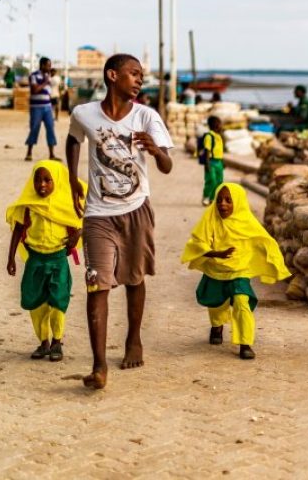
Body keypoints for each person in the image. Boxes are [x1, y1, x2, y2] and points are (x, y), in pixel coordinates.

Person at [66, 53, 173, 390]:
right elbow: (73, 140)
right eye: (134, 73)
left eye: (142, 75)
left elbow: (168, 166)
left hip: (136, 209)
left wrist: (155, 151)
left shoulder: (147, 116)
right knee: (97, 283)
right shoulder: (84, 113)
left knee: (134, 278)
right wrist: (71, 178)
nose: (140, 80)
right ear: (113, 76)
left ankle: (134, 339)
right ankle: (99, 366)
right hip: (98, 214)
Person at [181, 183, 291, 359]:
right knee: (216, 303)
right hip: (215, 269)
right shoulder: (210, 218)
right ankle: (217, 326)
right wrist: (216, 253)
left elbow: (263, 240)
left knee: (242, 302)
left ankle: (244, 343)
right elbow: (197, 242)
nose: (223, 204)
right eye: (219, 200)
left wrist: (272, 260)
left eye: (228, 200)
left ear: (238, 203)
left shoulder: (247, 221)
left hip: (239, 270)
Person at [6, 160, 86, 362]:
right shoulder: (28, 206)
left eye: (47, 180)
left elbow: (87, 219)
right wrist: (11, 258)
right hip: (35, 260)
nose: (42, 185)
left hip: (58, 259)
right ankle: (43, 342)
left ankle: (57, 341)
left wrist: (78, 234)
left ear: (56, 181)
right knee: (37, 303)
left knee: (58, 301)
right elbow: (17, 230)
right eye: (38, 180)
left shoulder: (67, 204)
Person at [25, 57, 59, 162]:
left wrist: (49, 77)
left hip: (47, 107)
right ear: (42, 65)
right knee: (34, 128)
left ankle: (52, 154)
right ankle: (29, 153)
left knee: (50, 128)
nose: (49, 67)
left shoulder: (48, 76)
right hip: (36, 108)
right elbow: (35, 90)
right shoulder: (34, 76)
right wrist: (46, 81)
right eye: (48, 65)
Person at [201, 116, 224, 206]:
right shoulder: (209, 136)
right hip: (211, 162)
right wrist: (207, 164)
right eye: (219, 124)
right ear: (214, 125)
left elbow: (221, 150)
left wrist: (223, 162)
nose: (221, 126)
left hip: (219, 162)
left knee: (219, 181)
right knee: (211, 180)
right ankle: (206, 196)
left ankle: (213, 198)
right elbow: (207, 151)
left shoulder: (218, 136)